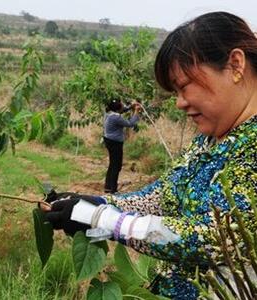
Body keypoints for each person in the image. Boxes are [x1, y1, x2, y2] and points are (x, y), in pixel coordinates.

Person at [43, 12, 257, 299]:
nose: (180, 103)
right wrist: (96, 203)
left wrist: (103, 219)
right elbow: (161, 196)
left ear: (235, 65)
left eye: (184, 87)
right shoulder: (208, 140)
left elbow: (217, 238)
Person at [103, 100, 141, 193]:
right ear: (118, 108)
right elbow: (130, 124)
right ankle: (113, 190)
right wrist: (136, 112)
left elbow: (122, 110)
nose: (123, 105)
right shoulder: (116, 118)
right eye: (122, 104)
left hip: (109, 140)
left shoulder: (109, 113)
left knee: (112, 164)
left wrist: (130, 106)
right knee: (116, 166)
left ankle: (108, 187)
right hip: (115, 143)